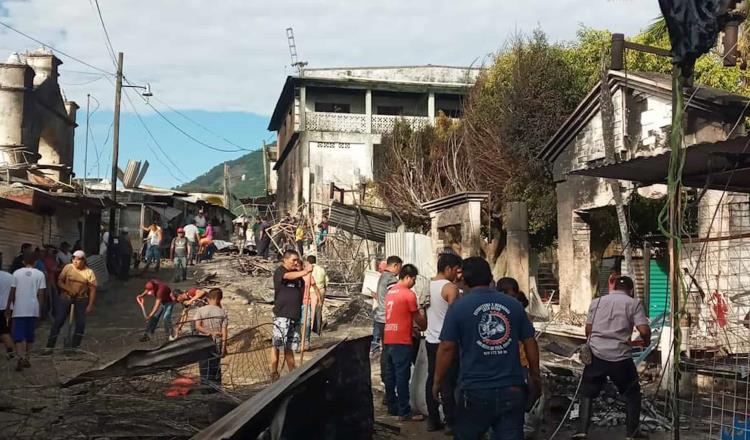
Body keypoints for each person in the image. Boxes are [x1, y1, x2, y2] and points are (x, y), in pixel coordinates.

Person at [434, 257, 541, 440]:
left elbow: (446, 347)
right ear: (491, 277)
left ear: (465, 280)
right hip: (512, 389)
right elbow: (530, 341)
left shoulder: (459, 308)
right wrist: (535, 376)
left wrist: (437, 381)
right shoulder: (514, 305)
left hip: (475, 390)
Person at [574, 276, 651, 440]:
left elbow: (588, 330)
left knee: (587, 393)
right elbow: (644, 330)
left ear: (614, 287)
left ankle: (581, 432)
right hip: (620, 357)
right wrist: (646, 341)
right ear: (631, 290)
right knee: (632, 394)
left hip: (596, 355)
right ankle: (632, 433)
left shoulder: (597, 302)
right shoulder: (633, 303)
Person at [383, 264, 427, 421]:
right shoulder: (408, 294)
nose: (414, 282)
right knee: (402, 375)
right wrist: (424, 322)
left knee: (390, 375)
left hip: (388, 337)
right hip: (402, 339)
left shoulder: (390, 292)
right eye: (414, 279)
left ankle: (392, 407)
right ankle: (405, 412)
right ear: (408, 277)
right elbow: (417, 318)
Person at [425, 253, 462, 432]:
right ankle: (451, 421)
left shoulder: (427, 285)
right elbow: (456, 316)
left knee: (431, 379)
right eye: (456, 270)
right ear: (448, 269)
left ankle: (433, 419)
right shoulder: (450, 288)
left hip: (430, 339)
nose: (457, 275)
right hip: (447, 342)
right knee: (448, 382)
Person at [270, 249, 311, 380]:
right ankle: (274, 372)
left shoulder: (298, 277)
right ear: (285, 260)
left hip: (295, 315)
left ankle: (292, 373)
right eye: (293, 260)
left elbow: (306, 286)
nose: (295, 262)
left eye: (297, 260)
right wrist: (304, 271)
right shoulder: (280, 271)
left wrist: (302, 271)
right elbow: (287, 277)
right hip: (282, 314)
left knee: (290, 346)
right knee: (277, 344)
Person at [46, 250, 97, 350]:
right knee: (58, 321)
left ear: (83, 261)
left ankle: (74, 347)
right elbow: (59, 281)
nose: (75, 261)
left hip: (81, 300)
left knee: (81, 324)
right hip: (66, 298)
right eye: (73, 258)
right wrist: (68, 289)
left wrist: (90, 305)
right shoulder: (68, 268)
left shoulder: (88, 272)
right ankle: (49, 347)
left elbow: (93, 289)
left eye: (78, 259)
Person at [7, 253, 46, 371]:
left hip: (19, 309)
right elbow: (41, 294)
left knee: (18, 336)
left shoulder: (16, 273)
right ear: (35, 262)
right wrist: (40, 310)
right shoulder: (40, 274)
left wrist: (9, 306)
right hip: (33, 309)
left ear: (23, 262)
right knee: (29, 336)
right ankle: (27, 358)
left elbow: (12, 292)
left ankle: (20, 357)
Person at [195, 288, 228, 388]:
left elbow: (198, 326)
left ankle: (205, 389)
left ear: (209, 298)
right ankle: (216, 390)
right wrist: (223, 348)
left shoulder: (201, 310)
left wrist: (210, 332)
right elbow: (224, 332)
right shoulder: (222, 312)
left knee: (204, 367)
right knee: (215, 367)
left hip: (203, 343)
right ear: (219, 299)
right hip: (217, 343)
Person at [372, 256, 402, 356]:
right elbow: (395, 299)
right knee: (391, 351)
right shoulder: (391, 279)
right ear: (395, 265)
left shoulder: (383, 276)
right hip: (388, 320)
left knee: (386, 350)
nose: (399, 271)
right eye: (399, 268)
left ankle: (385, 370)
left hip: (380, 318)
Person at [299, 259, 322, 350]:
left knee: (307, 323)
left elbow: (315, 288)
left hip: (306, 302)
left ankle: (306, 342)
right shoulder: (295, 277)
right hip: (296, 303)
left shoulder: (308, 276)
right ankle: (298, 342)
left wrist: (319, 299)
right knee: (298, 324)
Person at [0, 268, 15, 359]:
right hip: (9, 307)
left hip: (1, 307)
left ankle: (11, 351)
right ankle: (10, 351)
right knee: (6, 331)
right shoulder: (10, 276)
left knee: (3, 333)